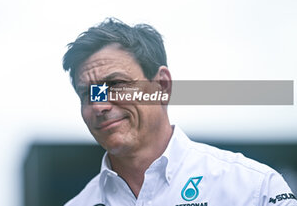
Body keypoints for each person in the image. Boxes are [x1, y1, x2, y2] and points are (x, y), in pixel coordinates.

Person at [62, 18, 296, 206]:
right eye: (88, 94)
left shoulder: (254, 189)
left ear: (162, 86)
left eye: (115, 85)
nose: (99, 105)